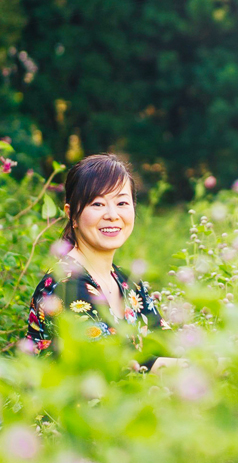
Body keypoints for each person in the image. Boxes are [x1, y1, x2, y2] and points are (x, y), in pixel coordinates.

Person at [25, 153, 175, 371]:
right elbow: (114, 366)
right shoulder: (64, 285)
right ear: (72, 215)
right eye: (97, 204)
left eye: (122, 202)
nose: (112, 215)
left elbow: (167, 344)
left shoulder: (129, 283)